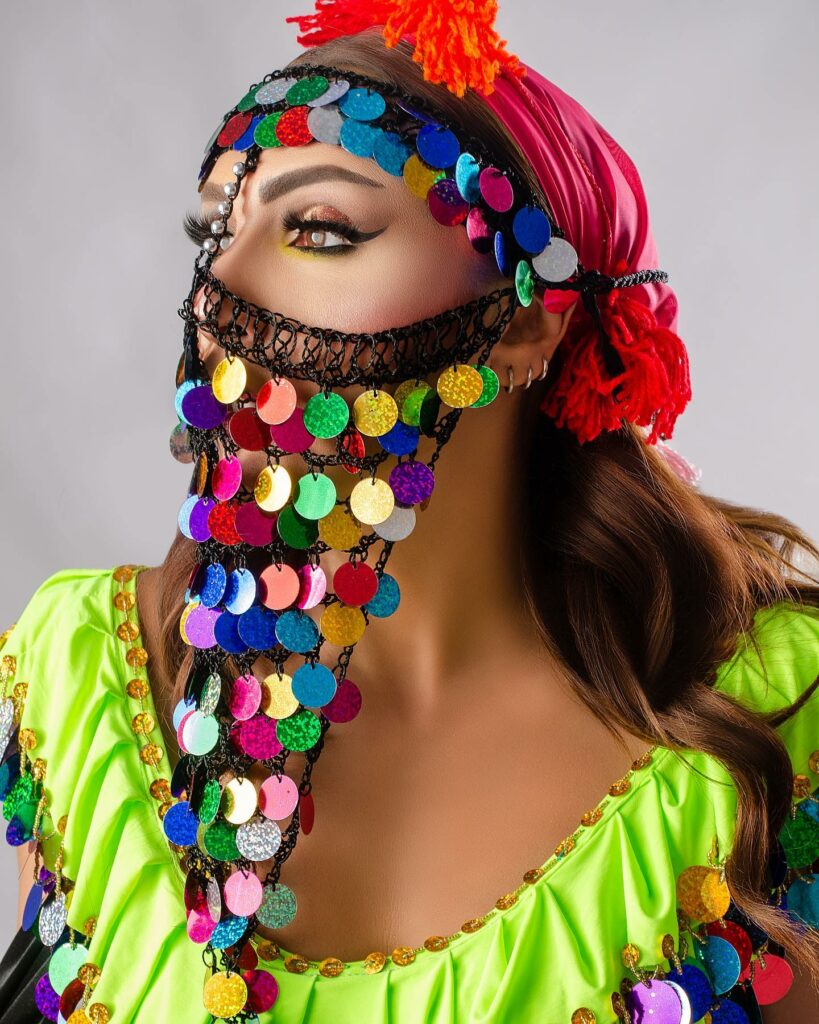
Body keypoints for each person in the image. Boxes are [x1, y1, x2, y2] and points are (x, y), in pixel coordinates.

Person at [1, 4, 818, 1022]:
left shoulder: (782, 711)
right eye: (215, 230)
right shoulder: (84, 675)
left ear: (525, 318)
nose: (218, 290)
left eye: (319, 230)